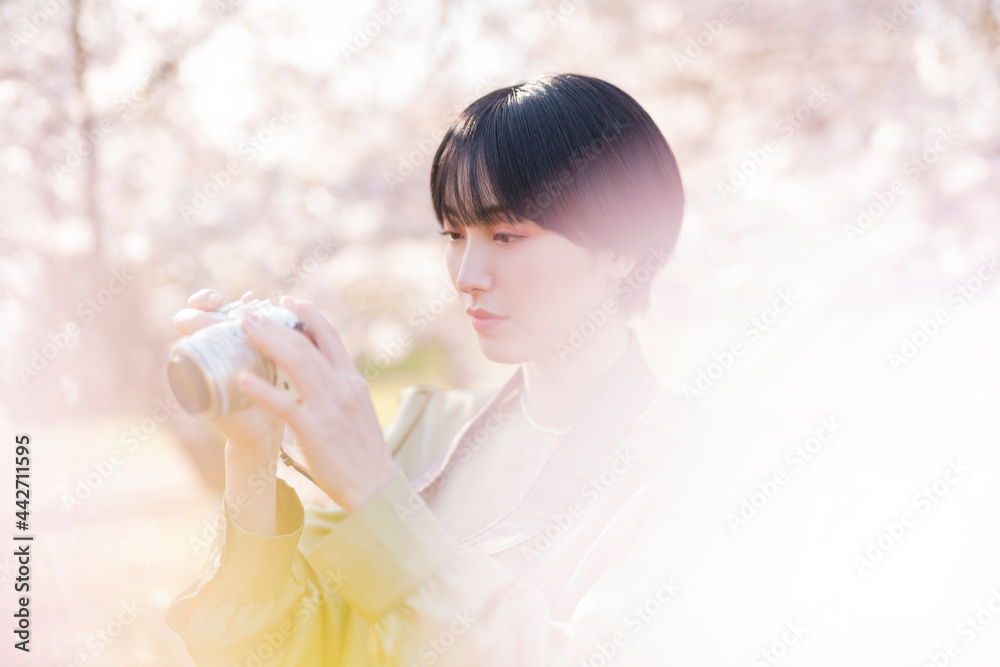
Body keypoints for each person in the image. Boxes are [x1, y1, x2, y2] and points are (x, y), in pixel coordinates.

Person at [166, 72, 699, 666]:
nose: (467, 275)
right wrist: (253, 456)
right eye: (454, 234)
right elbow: (286, 652)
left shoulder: (692, 469)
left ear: (623, 247)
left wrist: (376, 493)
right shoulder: (427, 432)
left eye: (506, 235)